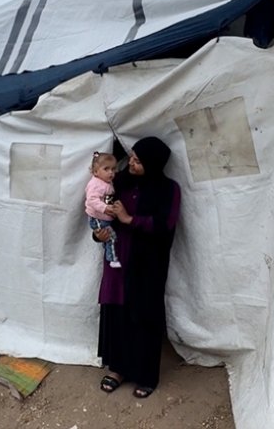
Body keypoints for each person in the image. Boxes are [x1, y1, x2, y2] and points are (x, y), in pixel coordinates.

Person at [93, 136, 181, 399]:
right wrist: (98, 234)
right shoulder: (118, 183)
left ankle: (145, 375)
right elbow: (99, 215)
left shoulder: (168, 190)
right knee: (116, 314)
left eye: (138, 161)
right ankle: (118, 369)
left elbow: (166, 225)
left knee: (144, 315)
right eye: (131, 157)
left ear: (153, 164)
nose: (131, 162)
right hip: (117, 259)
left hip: (148, 263)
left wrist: (128, 219)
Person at [84, 152, 121, 268]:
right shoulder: (96, 184)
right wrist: (104, 208)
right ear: (95, 172)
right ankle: (113, 259)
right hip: (98, 218)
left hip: (104, 217)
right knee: (111, 237)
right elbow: (92, 200)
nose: (111, 172)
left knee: (109, 238)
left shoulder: (106, 182)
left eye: (113, 169)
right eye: (106, 169)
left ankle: (110, 254)